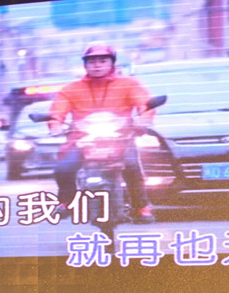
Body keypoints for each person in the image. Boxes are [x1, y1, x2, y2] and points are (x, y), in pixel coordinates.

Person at [48, 42, 156, 223]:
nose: (97, 65)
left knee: (131, 166)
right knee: (63, 168)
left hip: (120, 137)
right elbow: (58, 109)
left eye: (103, 61)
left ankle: (141, 207)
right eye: (92, 62)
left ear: (112, 63)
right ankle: (66, 202)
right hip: (82, 139)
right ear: (85, 65)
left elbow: (144, 103)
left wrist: (145, 119)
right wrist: (55, 125)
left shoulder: (128, 84)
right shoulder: (71, 89)